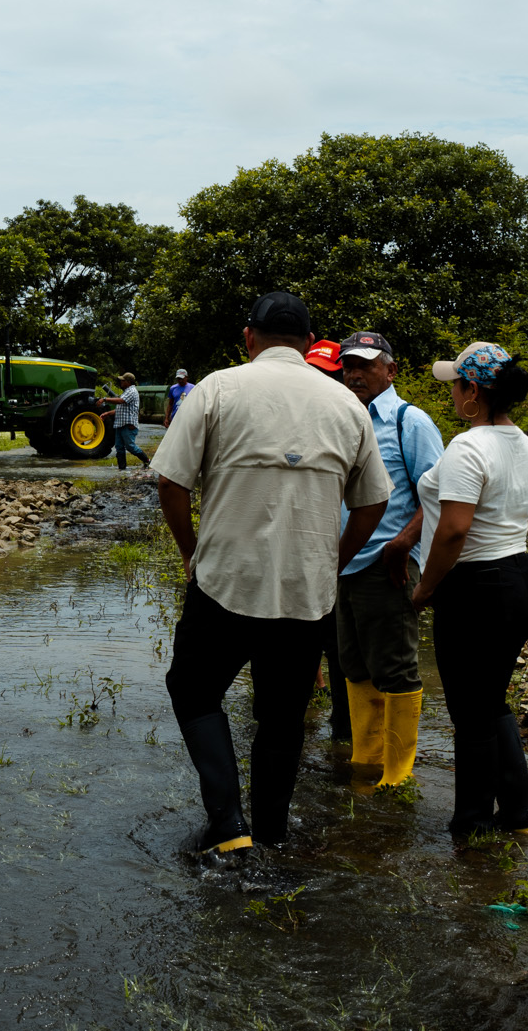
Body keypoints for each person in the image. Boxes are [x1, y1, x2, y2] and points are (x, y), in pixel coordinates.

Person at [153, 292, 391, 859]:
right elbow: (373, 502)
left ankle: (227, 821)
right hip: (305, 591)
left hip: (224, 581)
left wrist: (190, 551)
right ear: (309, 343)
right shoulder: (346, 404)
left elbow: (170, 481)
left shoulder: (217, 389)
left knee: (193, 689)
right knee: (282, 718)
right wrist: (333, 561)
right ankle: (272, 837)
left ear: (248, 338)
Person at [409, 343, 528, 838]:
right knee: (490, 698)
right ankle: (519, 814)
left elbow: (453, 530)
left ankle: (470, 826)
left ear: (472, 391)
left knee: (470, 711)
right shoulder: (524, 444)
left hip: (476, 588)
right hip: (519, 580)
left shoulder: (468, 447)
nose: (451, 393)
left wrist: (426, 587)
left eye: (455, 385)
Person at [335, 332, 446, 788]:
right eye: (348, 366)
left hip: (387, 565)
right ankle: (366, 761)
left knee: (395, 668)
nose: (355, 374)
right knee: (354, 665)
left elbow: (438, 493)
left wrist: (403, 543)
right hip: (342, 564)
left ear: (391, 370)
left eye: (366, 365)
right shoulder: (341, 417)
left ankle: (397, 776)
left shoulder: (409, 422)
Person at [302, 338, 351, 741]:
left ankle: (343, 729)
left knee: (339, 647)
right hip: (300, 549)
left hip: (342, 555)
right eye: (313, 372)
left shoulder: (350, 420)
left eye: (328, 374)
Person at [98, 373, 153, 471]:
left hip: (128, 425)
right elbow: (121, 409)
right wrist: (108, 413)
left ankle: (147, 461)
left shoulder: (131, 391)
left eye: (122, 381)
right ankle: (122, 469)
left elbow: (121, 401)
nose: (121, 382)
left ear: (128, 382)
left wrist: (105, 399)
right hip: (120, 424)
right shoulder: (126, 392)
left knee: (130, 446)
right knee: (119, 447)